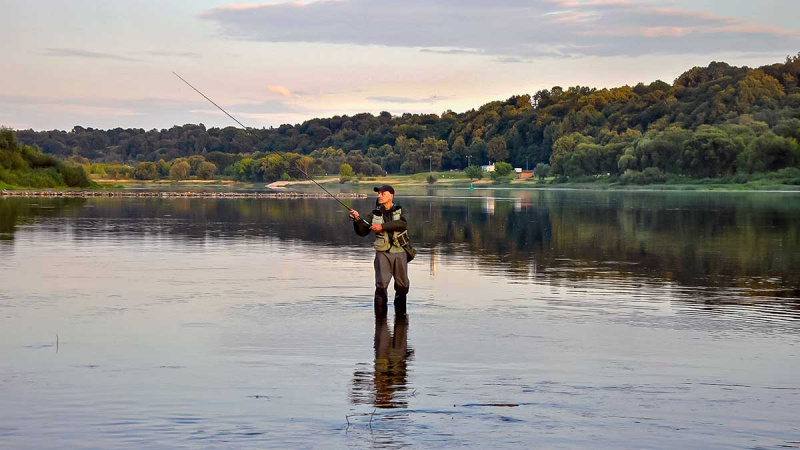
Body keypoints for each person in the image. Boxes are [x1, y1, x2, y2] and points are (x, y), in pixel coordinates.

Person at [349, 184, 410, 316]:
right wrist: (357, 220)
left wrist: (381, 226)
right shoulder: (373, 214)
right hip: (382, 254)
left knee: (403, 286)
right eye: (378, 193)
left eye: (383, 193)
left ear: (391, 196)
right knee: (381, 286)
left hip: (400, 252)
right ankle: (380, 321)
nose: (379, 196)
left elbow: (402, 224)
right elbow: (362, 232)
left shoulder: (401, 210)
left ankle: (400, 316)